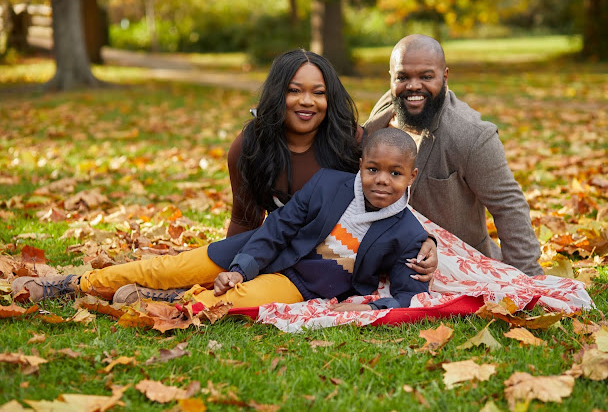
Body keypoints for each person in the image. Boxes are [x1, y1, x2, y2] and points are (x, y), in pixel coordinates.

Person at [13, 128, 432, 311]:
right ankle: (73, 284)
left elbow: (406, 292)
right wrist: (241, 267)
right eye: (374, 169)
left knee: (233, 301)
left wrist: (376, 307)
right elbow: (279, 228)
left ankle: (161, 304)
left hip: (301, 283)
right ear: (361, 165)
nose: (382, 181)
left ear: (411, 177)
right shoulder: (328, 184)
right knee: (171, 266)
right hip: (256, 251)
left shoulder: (409, 234)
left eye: (395, 174)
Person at [227, 48, 437, 277]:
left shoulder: (351, 142)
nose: (307, 101)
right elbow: (244, 220)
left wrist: (425, 239)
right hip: (272, 244)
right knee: (195, 269)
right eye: (294, 90)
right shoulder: (250, 146)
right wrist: (232, 267)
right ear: (277, 94)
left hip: (335, 260)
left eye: (318, 93)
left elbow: (386, 201)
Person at [364, 34, 543, 276]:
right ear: (391, 77)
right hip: (381, 257)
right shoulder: (387, 109)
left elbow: (508, 206)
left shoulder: (472, 136)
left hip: (457, 264)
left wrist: (529, 280)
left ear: (445, 77)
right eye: (403, 77)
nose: (413, 86)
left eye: (426, 77)